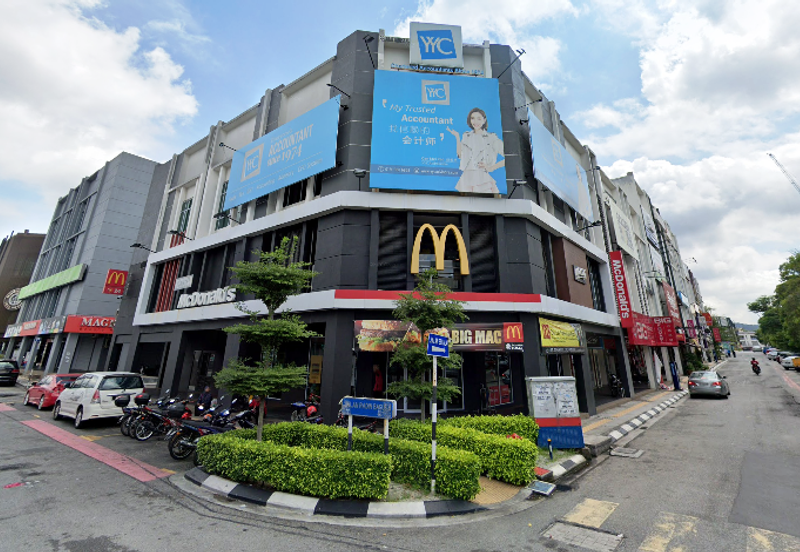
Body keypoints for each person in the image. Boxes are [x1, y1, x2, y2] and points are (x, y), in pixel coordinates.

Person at [446, 107, 505, 194]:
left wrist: (490, 168)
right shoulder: (466, 136)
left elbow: (507, 157)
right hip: (466, 177)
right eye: (472, 118)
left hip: (481, 178)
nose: (475, 122)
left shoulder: (491, 138)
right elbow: (460, 155)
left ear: (484, 120)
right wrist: (457, 137)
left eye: (479, 118)